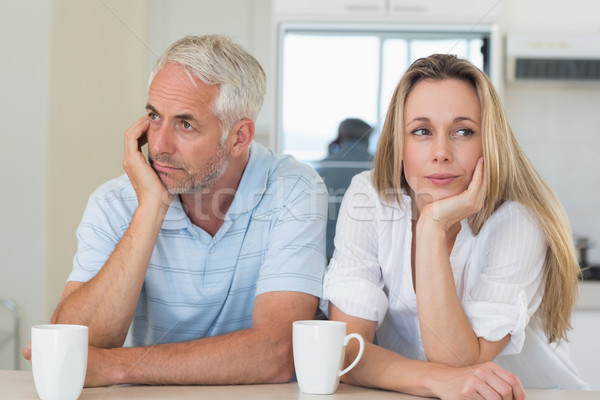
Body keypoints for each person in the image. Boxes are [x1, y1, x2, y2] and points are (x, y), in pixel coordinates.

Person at [24, 35, 328, 386]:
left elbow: (276, 354)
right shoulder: (115, 201)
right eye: (154, 116)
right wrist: (151, 209)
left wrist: (116, 367)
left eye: (185, 124)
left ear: (239, 137)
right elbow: (72, 348)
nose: (158, 145)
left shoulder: (293, 189)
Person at [321, 54, 588, 399]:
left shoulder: (518, 221)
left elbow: (458, 362)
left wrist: (432, 227)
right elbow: (346, 352)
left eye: (463, 131)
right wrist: (433, 381)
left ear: (488, 141)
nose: (441, 152)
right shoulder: (369, 198)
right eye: (421, 131)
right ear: (399, 146)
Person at [317, 118, 373, 260]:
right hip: (366, 253)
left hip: (327, 252)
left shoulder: (322, 168)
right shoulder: (378, 168)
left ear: (340, 137)